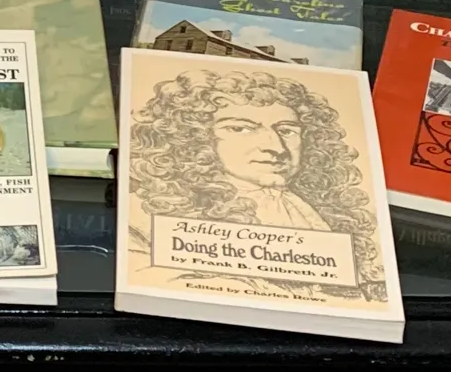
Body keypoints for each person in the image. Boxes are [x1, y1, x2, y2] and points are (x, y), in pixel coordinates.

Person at [125, 69, 387, 302]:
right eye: (241, 129)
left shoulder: (316, 211)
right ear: (194, 135)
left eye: (287, 131)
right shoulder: (142, 217)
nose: (276, 147)